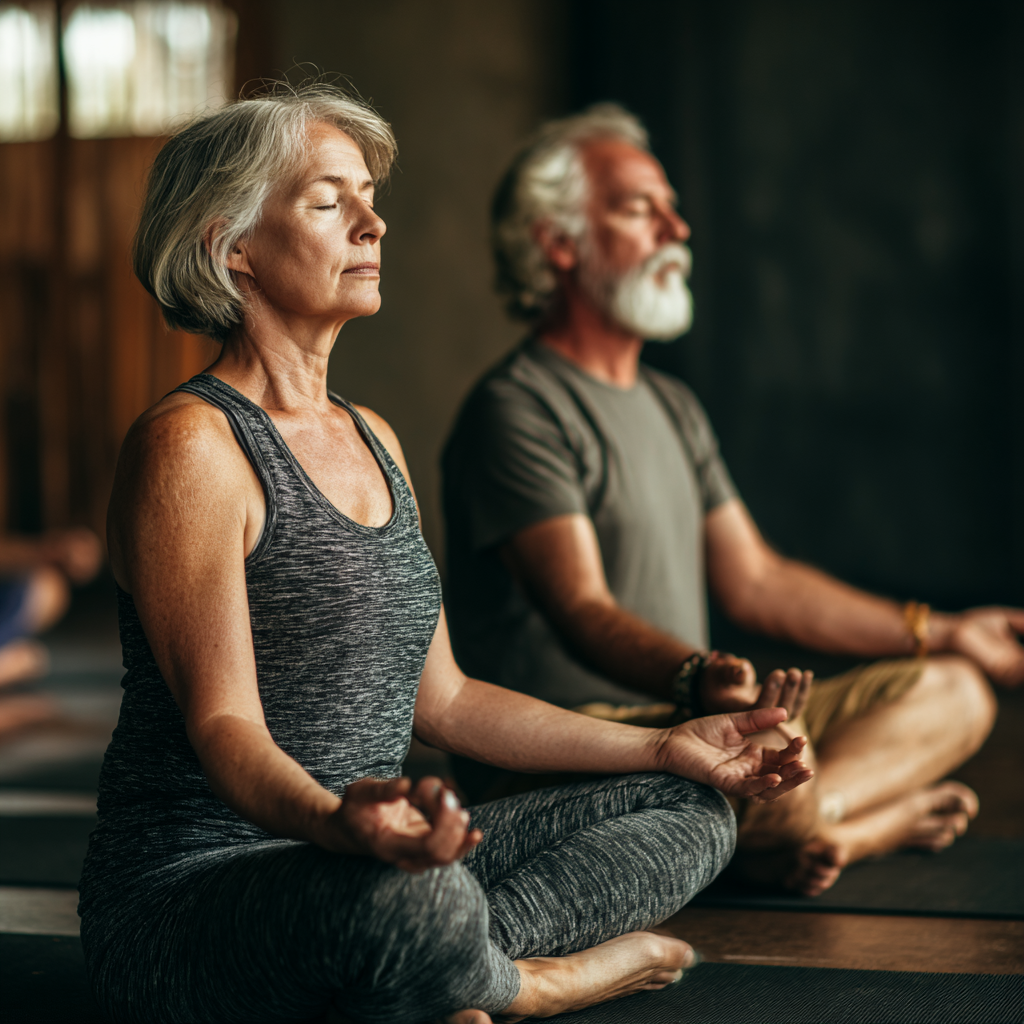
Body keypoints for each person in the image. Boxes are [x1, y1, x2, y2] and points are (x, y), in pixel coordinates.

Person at [76, 83, 814, 1024]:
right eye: (326, 201)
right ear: (233, 249)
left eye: (369, 196)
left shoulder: (375, 437)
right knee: (414, 898)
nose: (373, 223)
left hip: (379, 862)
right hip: (200, 898)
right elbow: (226, 727)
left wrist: (668, 745)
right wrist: (337, 826)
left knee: (691, 809)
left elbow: (450, 701)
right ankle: (527, 982)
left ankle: (440, 967)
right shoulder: (190, 448)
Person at [442, 104, 1019, 897]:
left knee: (955, 686)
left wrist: (950, 629)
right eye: (642, 209)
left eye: (673, 208)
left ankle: (820, 823)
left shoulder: (674, 406)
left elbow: (759, 581)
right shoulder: (517, 408)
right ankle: (836, 824)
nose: (678, 229)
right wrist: (693, 678)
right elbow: (580, 606)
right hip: (578, 751)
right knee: (763, 761)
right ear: (559, 242)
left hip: (698, 729)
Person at [0, 528, 103, 734]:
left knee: (31, 660)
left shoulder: (51, 589)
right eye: (79, 545)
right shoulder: (34, 568)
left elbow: (10, 629)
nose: (75, 555)